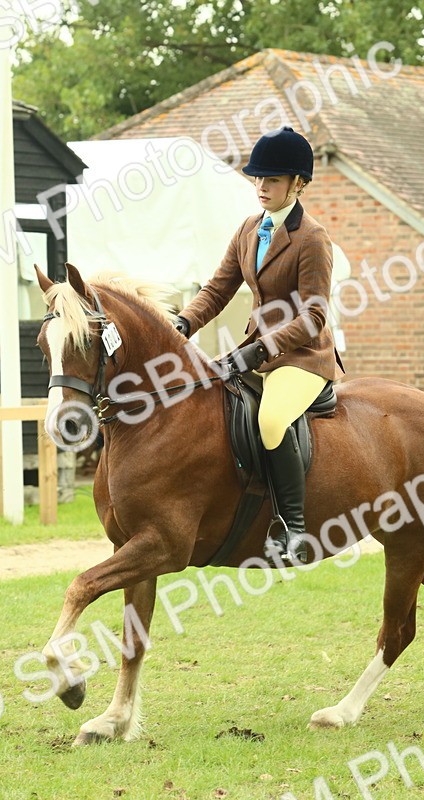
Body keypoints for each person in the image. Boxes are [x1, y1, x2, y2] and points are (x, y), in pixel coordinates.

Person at [172, 126, 342, 566]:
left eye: (272, 179)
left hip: (302, 357)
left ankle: (294, 528)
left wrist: (262, 349)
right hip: (257, 352)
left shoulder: (313, 238)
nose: (261, 186)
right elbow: (217, 289)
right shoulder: (249, 229)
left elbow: (314, 316)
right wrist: (182, 323)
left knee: (270, 420)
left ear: (298, 184)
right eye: (257, 178)